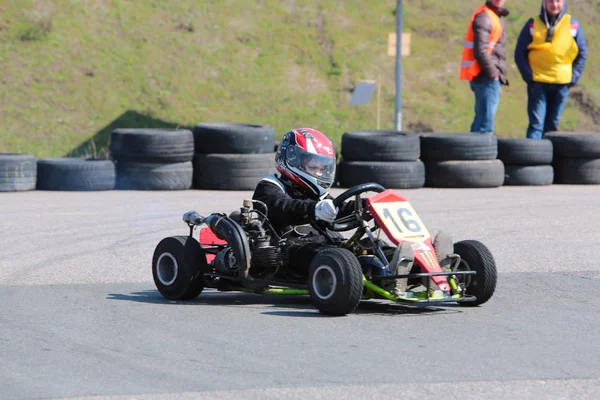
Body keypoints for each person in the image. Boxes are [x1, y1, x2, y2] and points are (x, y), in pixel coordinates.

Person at [515, 0, 587, 139]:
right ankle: (532, 158)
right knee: (536, 124)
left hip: (562, 83)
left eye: (558, 1)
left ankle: (550, 160)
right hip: (538, 82)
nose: (554, 5)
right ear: (544, 3)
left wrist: (573, 77)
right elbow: (519, 53)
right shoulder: (532, 24)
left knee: (552, 125)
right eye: (550, 1)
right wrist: (529, 77)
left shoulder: (573, 25)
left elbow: (582, 53)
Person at [459, 0, 510, 134]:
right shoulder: (485, 17)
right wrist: (494, 75)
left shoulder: (492, 16)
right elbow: (480, 51)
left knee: (481, 121)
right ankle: (479, 154)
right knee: (484, 127)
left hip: (486, 75)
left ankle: (474, 152)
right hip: (484, 75)